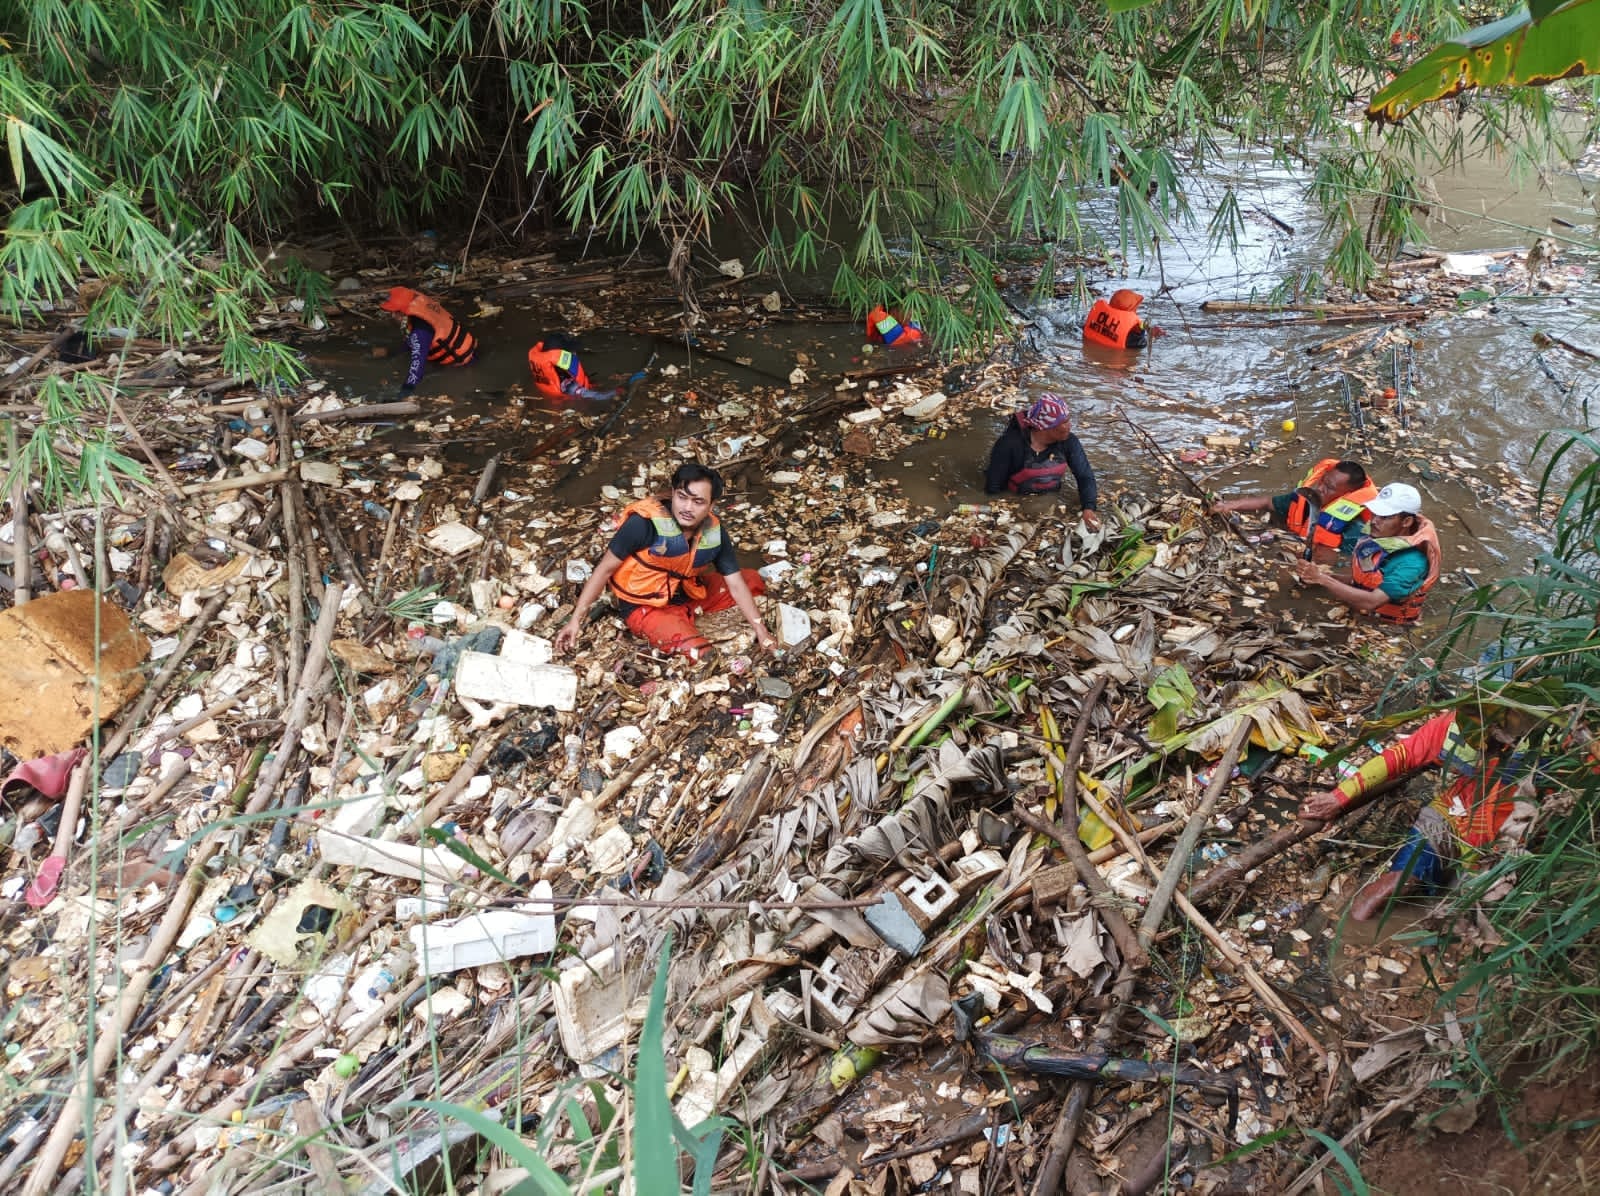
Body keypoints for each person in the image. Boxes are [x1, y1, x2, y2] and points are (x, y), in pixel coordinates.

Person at [1300, 690, 1555, 921]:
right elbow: (1401, 756)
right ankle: (1407, 886)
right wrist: (1338, 798)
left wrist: (1340, 797)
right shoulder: (1457, 725)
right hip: (1464, 819)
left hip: (1492, 831)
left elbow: (1400, 755)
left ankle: (1402, 884)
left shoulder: (1546, 745)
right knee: (1431, 891)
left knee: (1434, 877)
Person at [554, 462, 777, 661]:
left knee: (753, 580)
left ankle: (688, 619)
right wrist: (575, 621)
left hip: (686, 596)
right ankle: (683, 628)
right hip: (644, 607)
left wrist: (761, 631)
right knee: (699, 653)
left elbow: (736, 584)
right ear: (673, 493)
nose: (687, 508)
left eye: (698, 501)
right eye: (682, 497)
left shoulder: (715, 533)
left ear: (711, 505)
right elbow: (603, 571)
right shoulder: (643, 524)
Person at [1292, 482, 1440, 623]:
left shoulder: (1412, 563)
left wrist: (1322, 579)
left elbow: (1371, 602)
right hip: (1362, 611)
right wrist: (1320, 577)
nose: (1374, 521)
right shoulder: (1382, 538)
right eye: (1375, 513)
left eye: (1385, 517)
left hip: (1386, 627)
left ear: (1406, 522)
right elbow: (1365, 579)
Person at [1211, 458, 1377, 560]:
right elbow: (1266, 502)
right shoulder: (1306, 499)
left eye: (1330, 487)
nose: (1320, 488)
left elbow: (1344, 561)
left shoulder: (1355, 527)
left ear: (1348, 494)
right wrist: (1229, 505)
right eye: (1322, 481)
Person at [983, 394, 1101, 530]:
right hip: (1016, 498)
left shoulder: (1069, 442)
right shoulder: (1009, 444)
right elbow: (993, 488)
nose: (1069, 426)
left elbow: (1085, 476)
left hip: (1050, 497)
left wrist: (1088, 508)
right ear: (1046, 427)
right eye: (1064, 422)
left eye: (1068, 420)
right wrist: (994, 521)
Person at [379, 287, 478, 391]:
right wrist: (392, 352)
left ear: (403, 313)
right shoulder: (420, 307)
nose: (392, 315)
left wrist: (405, 392)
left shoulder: (420, 332)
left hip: (460, 365)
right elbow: (413, 343)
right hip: (465, 348)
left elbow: (417, 368)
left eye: (394, 312)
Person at [527, 334, 619, 401]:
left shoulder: (546, 371)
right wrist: (618, 392)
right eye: (570, 353)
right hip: (571, 395)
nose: (574, 354)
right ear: (560, 363)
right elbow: (598, 396)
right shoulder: (570, 387)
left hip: (552, 392)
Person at [1083, 289, 1159, 350]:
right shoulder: (1130, 337)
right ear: (1131, 308)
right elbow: (1141, 344)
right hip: (1116, 359)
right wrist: (1140, 330)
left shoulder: (1098, 313)